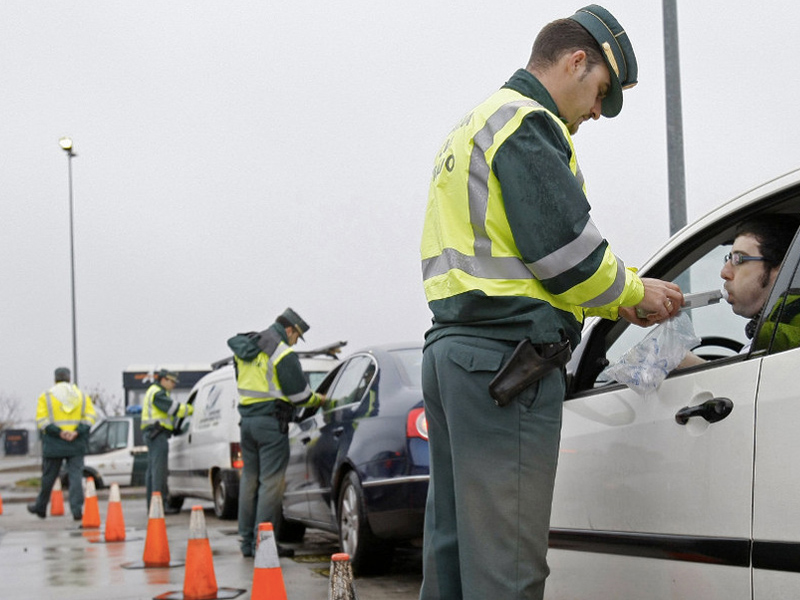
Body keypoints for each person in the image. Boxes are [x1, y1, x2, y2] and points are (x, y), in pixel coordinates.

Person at [418, 5, 684, 599]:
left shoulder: (473, 126)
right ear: (576, 60)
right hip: (506, 367)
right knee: (507, 571)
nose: (596, 111)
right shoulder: (528, 122)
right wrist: (636, 294)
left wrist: (611, 303)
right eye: (600, 93)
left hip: (454, 356)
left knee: (455, 557)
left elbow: (521, 265)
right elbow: (569, 256)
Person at [227, 307, 327, 558]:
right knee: (271, 485)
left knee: (250, 482)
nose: (295, 341)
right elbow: (300, 396)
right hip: (271, 425)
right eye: (297, 336)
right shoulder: (282, 353)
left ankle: (247, 542)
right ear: (290, 329)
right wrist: (320, 399)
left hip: (247, 423)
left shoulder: (247, 347)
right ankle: (265, 543)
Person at [679, 215, 800, 367]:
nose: (724, 272)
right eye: (728, 258)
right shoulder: (776, 333)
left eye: (739, 259)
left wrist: (679, 360)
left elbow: (741, 388)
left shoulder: (780, 338)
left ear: (782, 270)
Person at [28, 367, 96, 521]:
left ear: (55, 379)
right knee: (75, 477)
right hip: (76, 443)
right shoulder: (81, 395)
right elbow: (90, 416)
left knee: (49, 477)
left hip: (54, 444)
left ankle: (41, 507)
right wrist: (76, 431)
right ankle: (77, 510)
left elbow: (42, 420)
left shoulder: (46, 396)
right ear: (69, 378)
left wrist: (59, 432)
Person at [141, 368, 193, 510]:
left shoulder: (154, 391)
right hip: (157, 435)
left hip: (154, 434)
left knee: (153, 472)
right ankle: (160, 505)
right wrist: (192, 408)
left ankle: (153, 506)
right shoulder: (158, 393)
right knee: (159, 472)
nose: (174, 385)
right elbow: (176, 409)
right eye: (172, 381)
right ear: (164, 380)